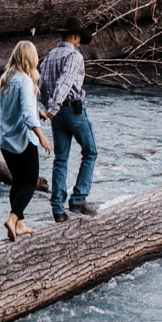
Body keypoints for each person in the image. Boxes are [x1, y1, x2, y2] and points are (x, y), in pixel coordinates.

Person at [38, 19, 98, 221]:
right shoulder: (74, 56)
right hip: (74, 111)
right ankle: (78, 199)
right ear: (74, 36)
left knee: (61, 159)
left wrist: (49, 109)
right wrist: (53, 109)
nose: (80, 41)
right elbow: (64, 83)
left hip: (56, 115)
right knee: (90, 151)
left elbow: (42, 85)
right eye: (79, 37)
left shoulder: (49, 57)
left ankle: (58, 209)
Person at [0, 38, 50, 241]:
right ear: (30, 58)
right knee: (29, 181)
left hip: (6, 141)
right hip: (22, 140)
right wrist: (42, 137)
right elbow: (27, 115)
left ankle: (19, 225)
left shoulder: (8, 77)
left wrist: (39, 111)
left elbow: (19, 106)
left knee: (18, 181)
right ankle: (12, 218)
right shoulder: (26, 81)